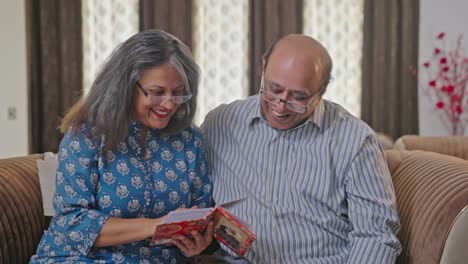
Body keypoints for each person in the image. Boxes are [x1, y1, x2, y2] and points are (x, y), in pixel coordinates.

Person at [201, 34, 401, 263]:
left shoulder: (355, 140)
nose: (280, 105)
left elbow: (375, 235)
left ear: (321, 91)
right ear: (263, 68)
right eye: (273, 89)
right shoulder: (221, 123)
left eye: (298, 97)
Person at [30, 29, 214, 263]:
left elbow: (198, 214)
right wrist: (154, 226)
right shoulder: (87, 135)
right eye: (157, 92)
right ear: (126, 85)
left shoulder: (190, 140)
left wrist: (196, 243)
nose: (169, 104)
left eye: (178, 94)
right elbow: (71, 222)